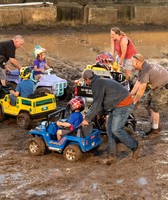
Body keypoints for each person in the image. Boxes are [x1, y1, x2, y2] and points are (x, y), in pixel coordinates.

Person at [81, 69, 139, 160]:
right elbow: (103, 99)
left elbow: (96, 103)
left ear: (87, 79)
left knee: (116, 129)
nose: (85, 82)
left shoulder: (97, 84)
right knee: (109, 128)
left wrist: (87, 119)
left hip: (123, 104)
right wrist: (100, 113)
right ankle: (112, 154)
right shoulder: (99, 81)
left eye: (84, 80)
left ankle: (134, 146)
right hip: (116, 104)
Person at [130, 54, 168, 136]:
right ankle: (155, 122)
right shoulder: (143, 68)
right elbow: (138, 82)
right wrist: (130, 94)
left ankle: (155, 130)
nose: (131, 64)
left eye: (132, 62)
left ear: (139, 62)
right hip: (158, 87)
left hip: (165, 88)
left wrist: (134, 102)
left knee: (154, 108)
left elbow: (142, 89)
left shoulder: (145, 70)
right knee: (145, 102)